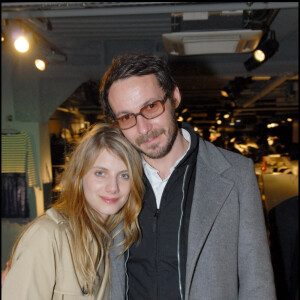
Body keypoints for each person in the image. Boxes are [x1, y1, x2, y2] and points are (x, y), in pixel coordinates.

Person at [99, 52, 276, 299]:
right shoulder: (109, 183)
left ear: (174, 97)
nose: (143, 128)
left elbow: (257, 282)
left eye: (150, 107)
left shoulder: (236, 175)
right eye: (127, 117)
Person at [1, 122, 144, 300]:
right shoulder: (48, 236)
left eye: (124, 175)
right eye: (100, 173)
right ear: (80, 175)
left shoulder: (116, 240)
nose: (113, 187)